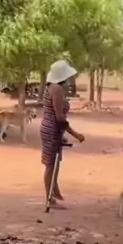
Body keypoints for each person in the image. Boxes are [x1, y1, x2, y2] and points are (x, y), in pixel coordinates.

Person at [40, 60, 84, 208]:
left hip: (53, 129)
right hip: (52, 129)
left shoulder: (52, 87)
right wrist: (76, 134)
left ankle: (54, 189)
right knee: (50, 164)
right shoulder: (57, 89)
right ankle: (50, 199)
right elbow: (60, 117)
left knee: (54, 162)